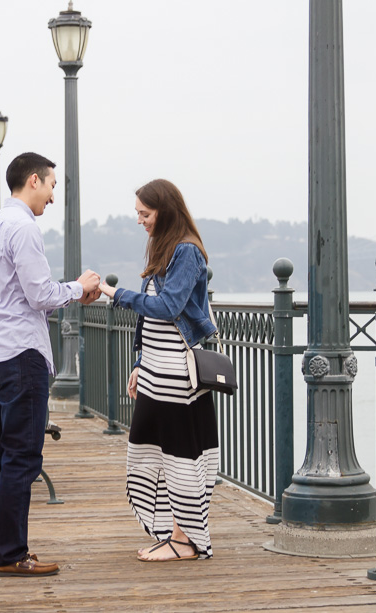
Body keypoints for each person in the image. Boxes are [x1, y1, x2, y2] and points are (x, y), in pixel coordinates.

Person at [0, 152, 101, 578]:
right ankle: (10, 552)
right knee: (21, 455)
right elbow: (41, 294)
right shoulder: (24, 227)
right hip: (20, 353)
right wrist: (78, 288)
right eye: (51, 185)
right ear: (32, 181)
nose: (52, 196)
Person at [97, 178, 219, 562]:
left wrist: (114, 293)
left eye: (144, 213)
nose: (139, 220)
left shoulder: (186, 252)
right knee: (150, 453)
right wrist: (138, 364)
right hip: (155, 373)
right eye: (138, 213)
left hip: (176, 378)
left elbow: (168, 308)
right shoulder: (165, 249)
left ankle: (186, 541)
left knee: (180, 456)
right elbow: (150, 323)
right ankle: (171, 534)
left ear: (165, 210)